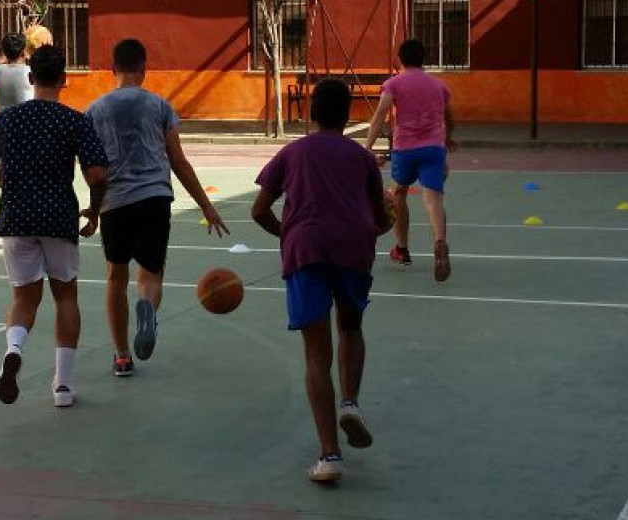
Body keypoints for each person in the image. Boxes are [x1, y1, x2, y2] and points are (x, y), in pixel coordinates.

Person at [252, 79, 390, 483]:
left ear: (310, 112)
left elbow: (260, 209)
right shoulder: (361, 158)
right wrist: (380, 223)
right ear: (349, 115)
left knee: (316, 354)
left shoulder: (294, 151)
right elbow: (380, 219)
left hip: (305, 249)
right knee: (351, 326)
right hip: (353, 247)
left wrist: (291, 233)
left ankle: (330, 456)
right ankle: (350, 402)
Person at [85, 38, 229, 378]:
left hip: (114, 200)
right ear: (144, 69)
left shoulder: (94, 110)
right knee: (149, 275)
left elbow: (92, 170)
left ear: (112, 70)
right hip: (154, 197)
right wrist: (206, 206)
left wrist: (93, 209)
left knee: (115, 277)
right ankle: (147, 308)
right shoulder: (160, 106)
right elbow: (178, 160)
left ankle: (121, 356)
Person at [0, 45, 109, 408]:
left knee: (23, 298)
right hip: (58, 217)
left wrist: (9, 179)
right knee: (65, 296)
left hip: (16, 218)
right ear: (64, 80)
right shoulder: (73, 120)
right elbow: (97, 174)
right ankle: (62, 386)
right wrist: (94, 212)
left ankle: (14, 350)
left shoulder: (6, 120)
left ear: (31, 78)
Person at [365, 38, 456, 282]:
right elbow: (448, 115)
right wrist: (449, 138)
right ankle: (440, 245)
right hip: (434, 148)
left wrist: (367, 147)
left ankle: (402, 249)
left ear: (400, 59)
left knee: (399, 194)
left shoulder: (394, 83)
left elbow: (380, 116)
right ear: (424, 59)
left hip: (405, 148)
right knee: (433, 197)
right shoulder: (439, 85)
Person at [0, 33, 34, 112]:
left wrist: (2, 58)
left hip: (2, 121)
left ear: (4, 53)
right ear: (24, 53)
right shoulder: (30, 72)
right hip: (25, 120)